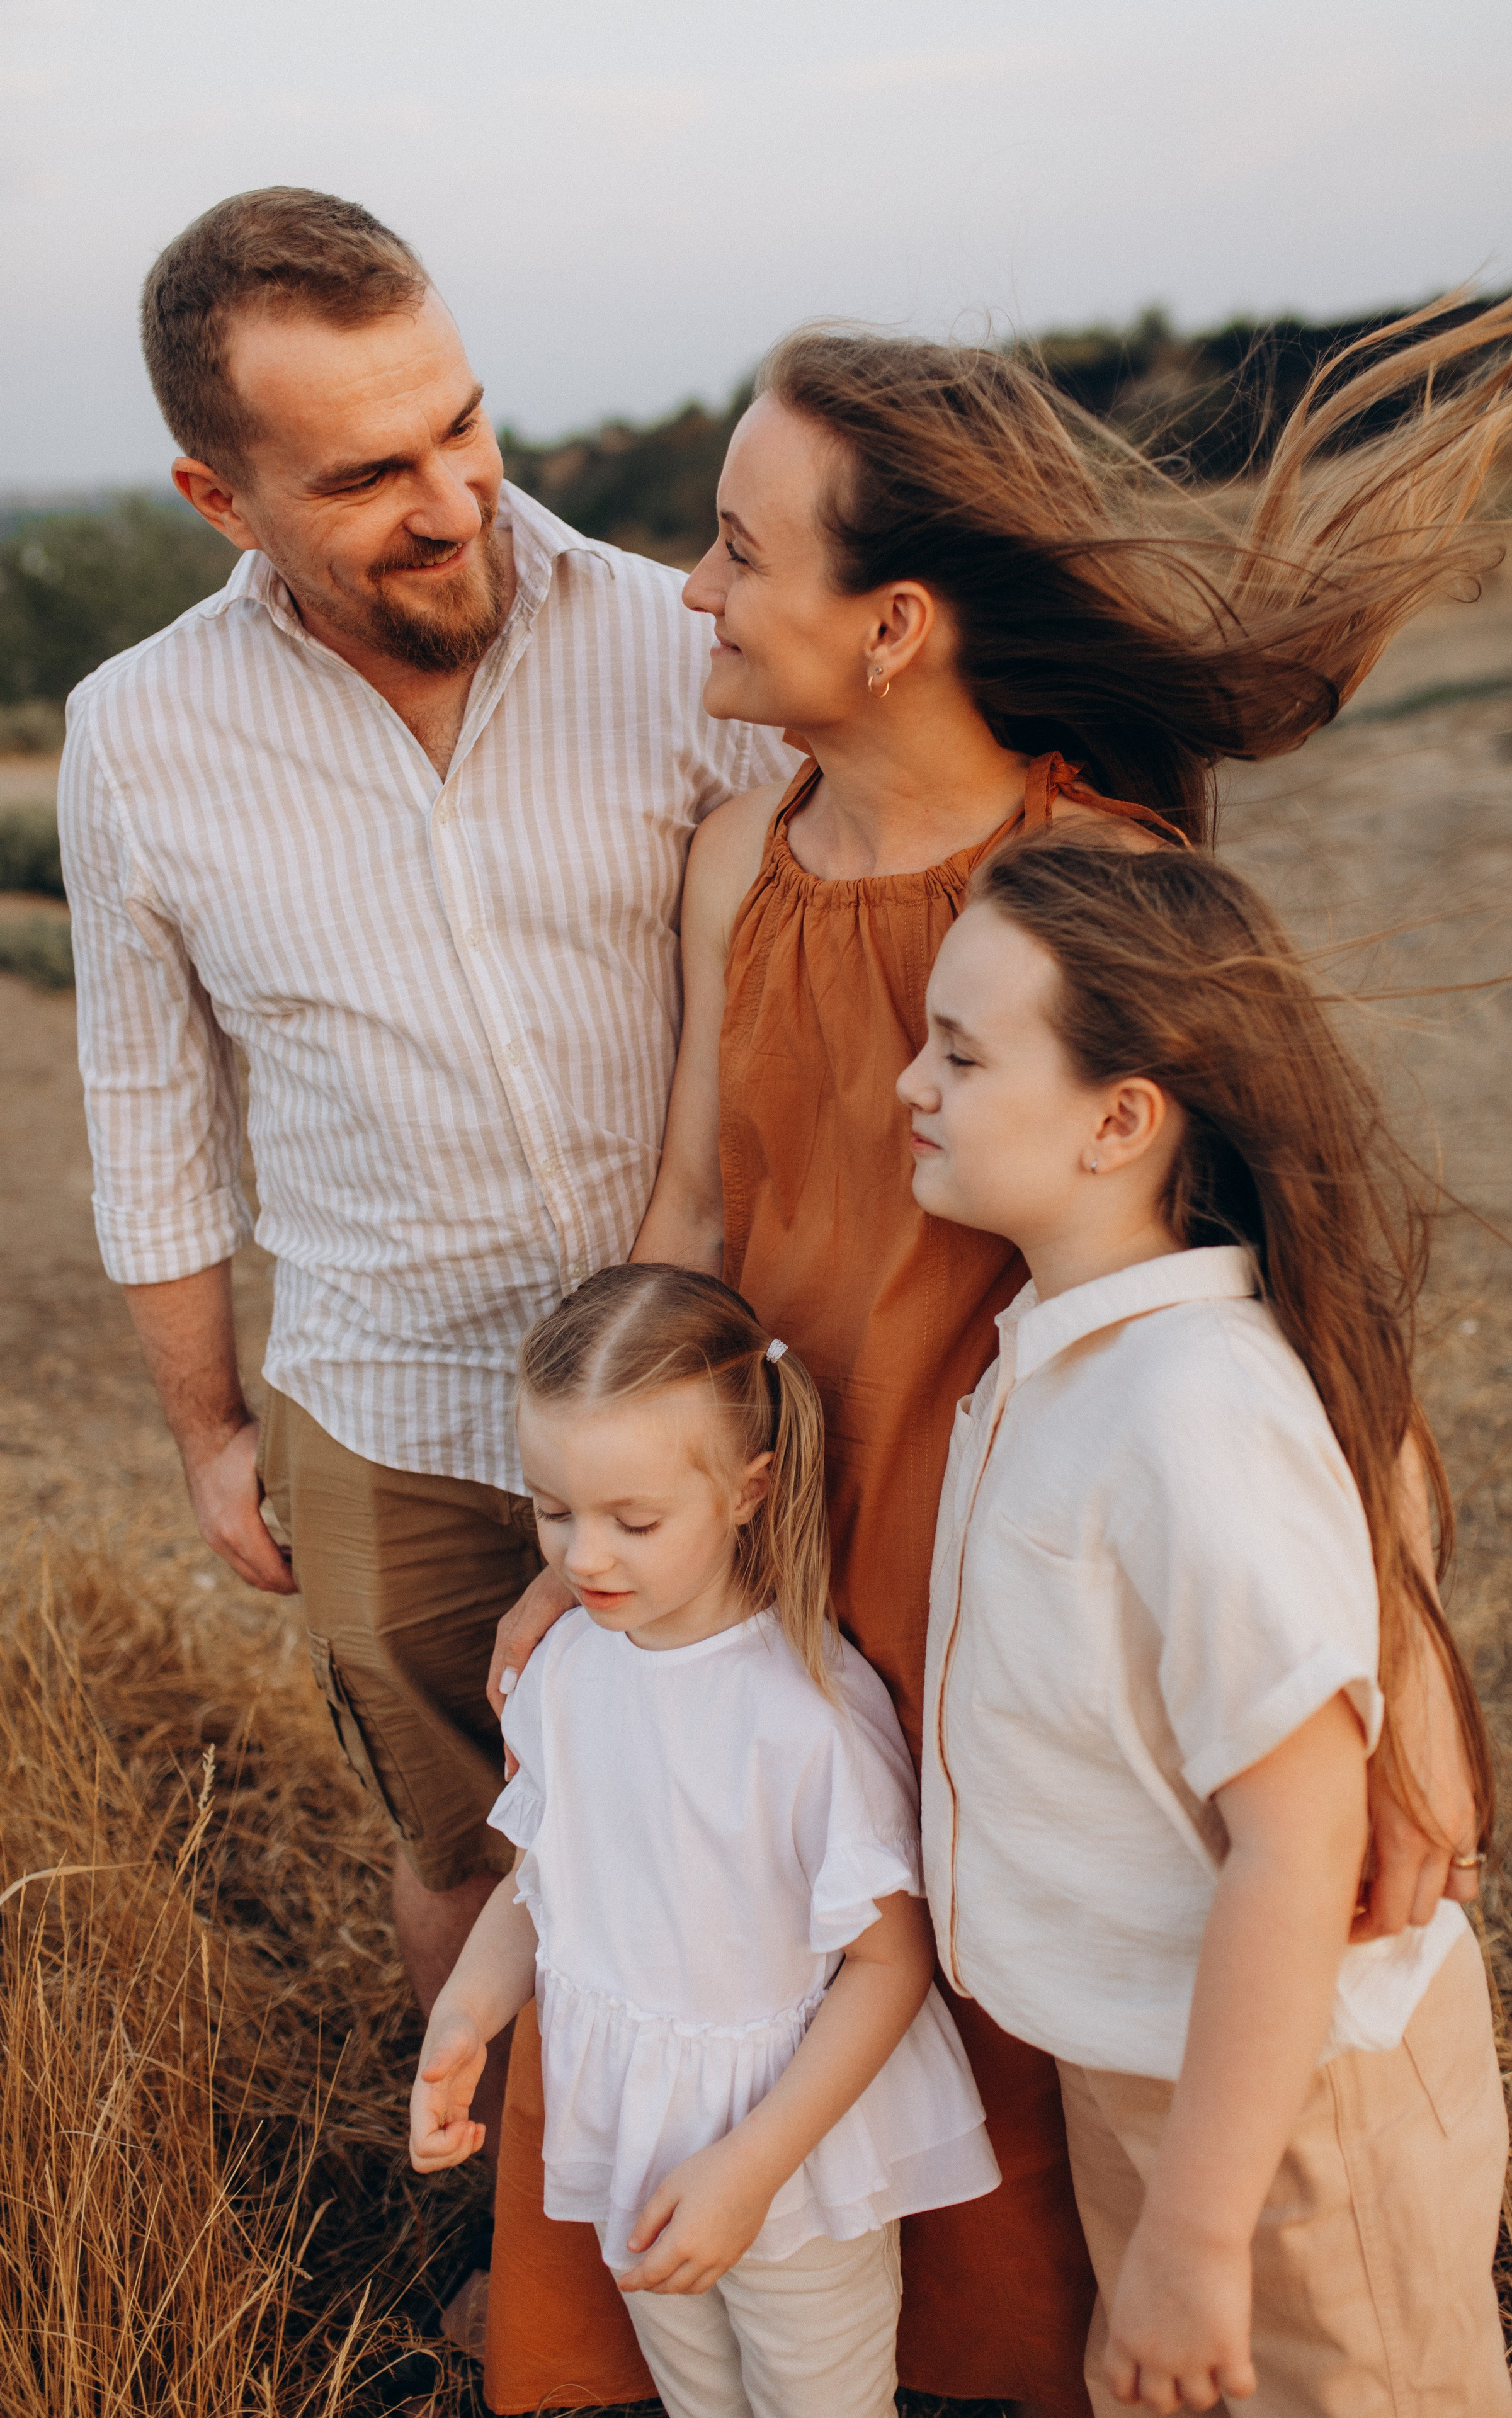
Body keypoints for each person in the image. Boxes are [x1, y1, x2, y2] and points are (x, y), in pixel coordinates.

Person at [489, 254, 1512, 2413]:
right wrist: (589, 1548)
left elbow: (1299, 1295)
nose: (691, 588)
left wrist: (1412, 1690)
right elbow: (693, 1220)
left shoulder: (1088, 877)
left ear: (893, 622)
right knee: (748, 1951)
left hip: (1004, 1539)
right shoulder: (743, 860)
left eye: (738, 542)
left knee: (1010, 1992)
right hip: (762, 1550)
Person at [56, 182, 794, 2283]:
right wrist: (211, 1434)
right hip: (390, 1408)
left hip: (726, 1376)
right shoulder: (136, 740)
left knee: (751, 1823)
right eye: (365, 474)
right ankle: (525, 2257)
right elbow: (147, 1109)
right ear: (218, 493)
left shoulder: (676, 643)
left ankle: (776, 2218)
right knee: (465, 1846)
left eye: (462, 426)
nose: (452, 498)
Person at [907, 831, 1511, 2417]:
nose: (908, 1084)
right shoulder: (1061, 1344)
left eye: (959, 1054)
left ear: (1119, 1120)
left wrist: (1191, 2232)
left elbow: (1298, 1846)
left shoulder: (1185, 1413)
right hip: (1154, 2080)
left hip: (1287, 2120)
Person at [410, 1264, 999, 2418]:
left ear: (747, 1489)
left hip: (778, 2156)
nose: (584, 1559)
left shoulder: (804, 1716)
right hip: (626, 2121)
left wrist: (751, 2168)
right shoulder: (569, 1669)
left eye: (634, 1521)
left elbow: (890, 1964)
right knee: (696, 2399)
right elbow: (542, 1888)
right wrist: (467, 2014)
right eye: (553, 1511)